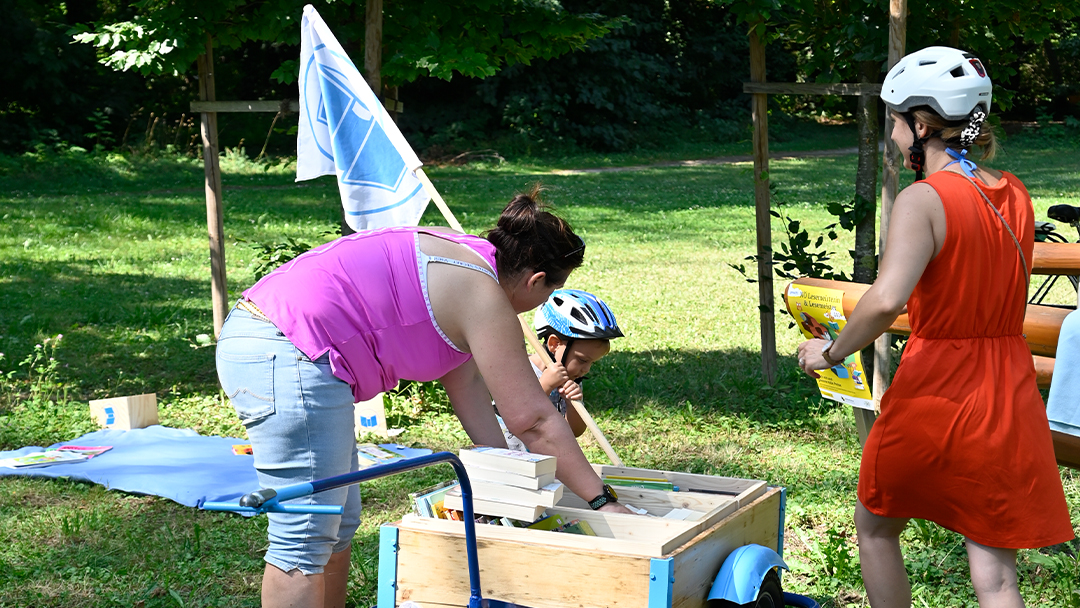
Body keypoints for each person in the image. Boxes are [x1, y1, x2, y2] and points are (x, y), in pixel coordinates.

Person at [215, 186, 632, 608]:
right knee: (305, 536)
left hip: (288, 345)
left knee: (338, 522)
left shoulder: (472, 265)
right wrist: (601, 500)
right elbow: (535, 420)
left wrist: (510, 475)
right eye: (546, 295)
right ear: (536, 279)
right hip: (286, 347)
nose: (538, 305)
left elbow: (467, 389)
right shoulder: (483, 295)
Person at [796, 46, 1073, 608]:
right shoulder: (1014, 192)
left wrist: (829, 353)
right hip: (1007, 386)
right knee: (995, 574)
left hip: (939, 386)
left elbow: (884, 301)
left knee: (875, 528)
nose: (894, 136)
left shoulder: (923, 198)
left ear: (922, 126)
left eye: (896, 123)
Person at [500, 289, 624, 451]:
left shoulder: (572, 378)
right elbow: (518, 415)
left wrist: (572, 404)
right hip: (507, 457)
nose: (586, 369)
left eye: (591, 363)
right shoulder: (520, 368)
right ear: (554, 344)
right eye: (582, 360)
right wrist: (546, 384)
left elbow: (575, 431)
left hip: (544, 461)